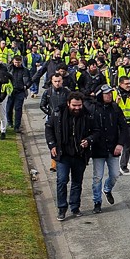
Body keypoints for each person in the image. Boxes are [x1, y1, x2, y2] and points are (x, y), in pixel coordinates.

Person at [45, 91, 99, 221]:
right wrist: (52, 145)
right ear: (68, 103)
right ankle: (62, 208)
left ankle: (75, 207)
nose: (77, 108)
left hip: (80, 154)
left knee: (77, 182)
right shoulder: (58, 113)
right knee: (62, 180)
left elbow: (96, 131)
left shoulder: (88, 115)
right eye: (74, 105)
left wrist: (89, 140)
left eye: (79, 105)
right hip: (63, 154)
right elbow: (49, 128)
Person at [90, 85, 128, 214]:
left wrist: (120, 144)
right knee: (97, 177)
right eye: (106, 94)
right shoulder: (93, 108)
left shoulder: (115, 108)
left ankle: (107, 189)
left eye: (110, 94)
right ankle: (97, 201)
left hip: (113, 148)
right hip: (98, 149)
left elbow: (124, 127)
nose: (109, 96)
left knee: (115, 174)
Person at [40, 73, 69, 172]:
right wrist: (50, 113)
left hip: (65, 119)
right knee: (52, 139)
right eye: (55, 81)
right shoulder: (47, 92)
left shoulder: (66, 92)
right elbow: (42, 105)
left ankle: (63, 159)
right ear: (52, 82)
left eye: (59, 81)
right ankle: (54, 162)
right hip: (52, 120)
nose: (57, 83)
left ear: (62, 81)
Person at [7, 55, 31, 133]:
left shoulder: (25, 70)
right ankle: (9, 121)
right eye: (16, 62)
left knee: (18, 108)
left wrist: (26, 86)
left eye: (19, 62)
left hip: (20, 91)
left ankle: (17, 126)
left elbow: (29, 80)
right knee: (9, 108)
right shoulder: (9, 69)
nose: (17, 64)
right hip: (11, 91)